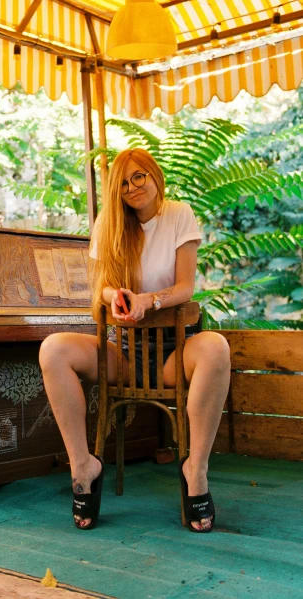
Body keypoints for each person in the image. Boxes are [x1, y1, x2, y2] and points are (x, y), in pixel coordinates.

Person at [39, 147, 230, 533]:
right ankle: (83, 466)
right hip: (124, 353)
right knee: (53, 348)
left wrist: (150, 300)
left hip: (174, 353)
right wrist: (118, 297)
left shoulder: (179, 214)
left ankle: (196, 469)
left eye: (138, 176)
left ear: (155, 176)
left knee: (217, 347)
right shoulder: (109, 222)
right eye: (123, 183)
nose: (132, 187)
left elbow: (186, 287)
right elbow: (101, 289)